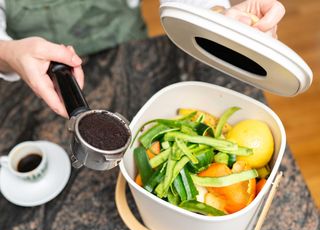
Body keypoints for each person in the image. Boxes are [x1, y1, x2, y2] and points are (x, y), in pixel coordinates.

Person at [0, 0, 285, 117]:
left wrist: (220, 19)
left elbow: (192, 4)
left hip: (132, 54)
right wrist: (11, 54)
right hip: (28, 78)